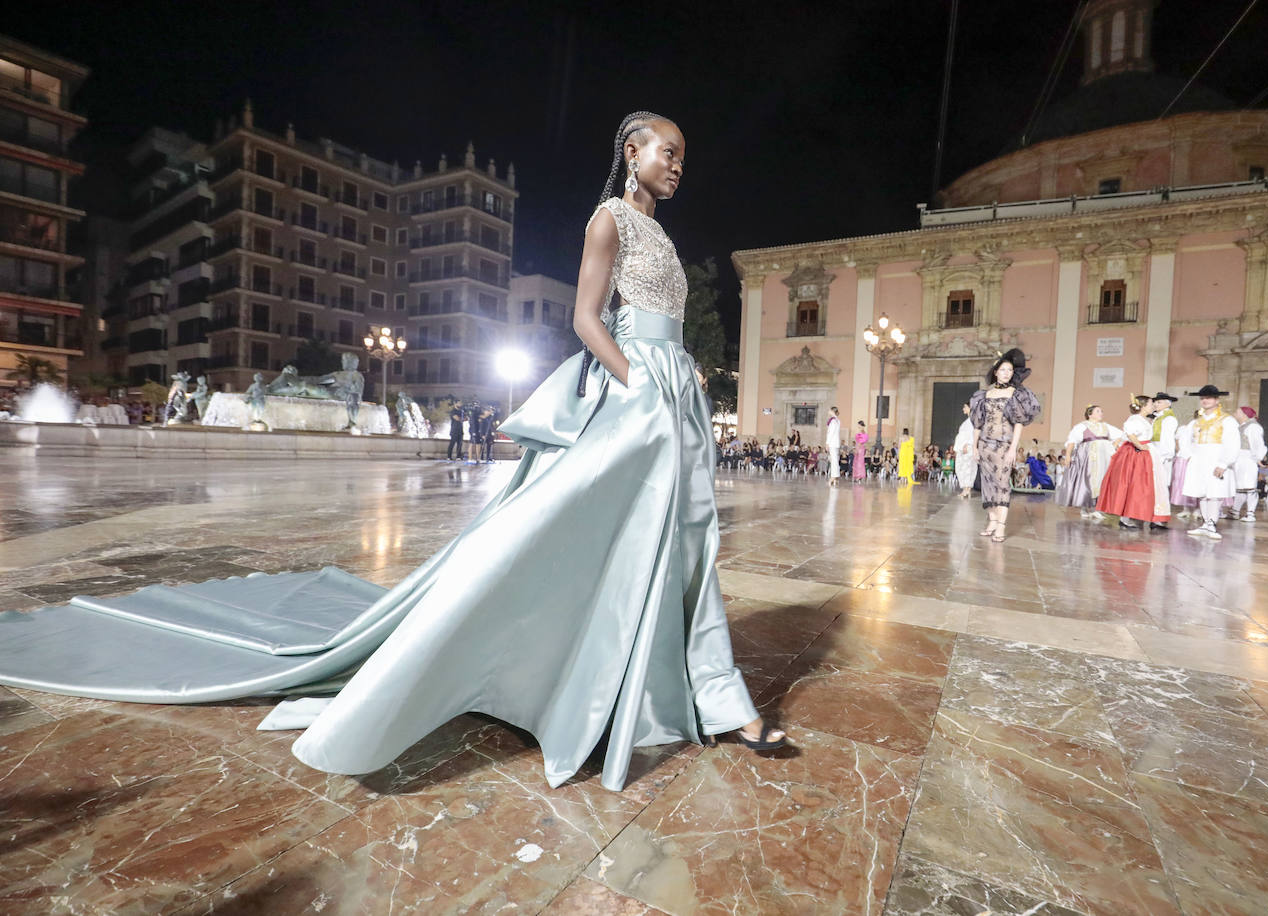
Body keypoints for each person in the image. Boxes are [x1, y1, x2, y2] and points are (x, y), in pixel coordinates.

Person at [0, 110, 785, 792]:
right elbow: (585, 318)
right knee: (594, 531)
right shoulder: (606, 219)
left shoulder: (660, 229)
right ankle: (664, 692)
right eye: (666, 151)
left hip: (671, 389)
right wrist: (635, 385)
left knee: (680, 542)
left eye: (683, 156)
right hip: (637, 392)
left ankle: (691, 692)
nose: (677, 165)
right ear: (632, 151)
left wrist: (674, 384)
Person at [968, 349, 1041, 542]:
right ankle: (992, 520)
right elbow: (978, 423)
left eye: (1010, 370)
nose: (1007, 373)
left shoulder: (1016, 394)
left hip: (1003, 446)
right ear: (996, 372)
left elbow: (1018, 424)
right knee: (988, 485)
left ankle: (1001, 526)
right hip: (984, 444)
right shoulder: (983, 395)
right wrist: (974, 447)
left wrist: (1012, 448)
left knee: (1002, 485)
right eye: (1003, 370)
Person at [1181, 385, 1241, 540]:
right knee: (1202, 492)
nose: (1205, 401)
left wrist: (1224, 463)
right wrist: (1189, 455)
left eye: (1208, 398)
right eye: (1202, 398)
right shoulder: (1196, 422)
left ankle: (1212, 523)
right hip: (1199, 458)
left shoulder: (1226, 420)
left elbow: (1232, 443)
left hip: (1216, 457)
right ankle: (1205, 522)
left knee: (1215, 492)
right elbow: (1186, 439)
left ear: (1216, 400)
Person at [1096, 396, 1161, 530]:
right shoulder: (1134, 419)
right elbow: (1130, 434)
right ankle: (1125, 517)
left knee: (1138, 485)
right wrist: (1140, 446)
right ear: (1143, 406)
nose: (1152, 406)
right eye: (1150, 404)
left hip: (1142, 454)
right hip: (1134, 454)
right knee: (1131, 483)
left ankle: (1133, 514)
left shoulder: (1143, 420)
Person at [1056, 405, 1123, 518]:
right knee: (1087, 480)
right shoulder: (1082, 426)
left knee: (1102, 479)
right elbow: (1072, 440)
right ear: (1090, 414)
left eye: (1101, 411)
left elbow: (1121, 435)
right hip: (1088, 456)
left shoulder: (1105, 426)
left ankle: (1098, 508)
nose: (1101, 413)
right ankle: (1084, 507)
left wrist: (1113, 445)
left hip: (1104, 457)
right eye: (1098, 411)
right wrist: (1068, 455)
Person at [1228, 407, 1266, 522]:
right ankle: (1235, 511)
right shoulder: (1242, 426)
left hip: (1248, 458)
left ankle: (1250, 514)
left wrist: (1258, 458)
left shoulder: (1253, 427)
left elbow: (1258, 444)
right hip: (1240, 458)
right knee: (1241, 487)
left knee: (1249, 487)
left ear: (1244, 414)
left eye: (1237, 412)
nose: (1235, 413)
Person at [1147, 393, 1178, 530]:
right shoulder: (1157, 418)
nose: (1155, 405)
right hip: (1155, 452)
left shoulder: (1169, 419)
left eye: (1158, 403)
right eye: (1155, 403)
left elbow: (1167, 440)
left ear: (1167, 403)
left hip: (1162, 455)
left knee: (1161, 486)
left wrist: (1163, 456)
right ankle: (1153, 515)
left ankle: (1160, 518)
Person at [954, 403, 977, 498]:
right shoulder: (968, 420)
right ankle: (967, 489)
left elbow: (974, 434)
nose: (963, 408)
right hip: (963, 448)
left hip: (967, 448)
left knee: (966, 468)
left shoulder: (972, 420)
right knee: (962, 468)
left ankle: (966, 490)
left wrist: (967, 444)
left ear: (970, 407)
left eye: (965, 407)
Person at [826, 406, 841, 488]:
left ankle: (833, 477)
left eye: (829, 410)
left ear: (832, 411)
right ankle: (836, 478)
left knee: (834, 460)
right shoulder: (837, 420)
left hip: (832, 443)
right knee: (834, 460)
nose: (828, 411)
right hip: (835, 443)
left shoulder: (833, 421)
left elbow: (830, 433)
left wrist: (827, 443)